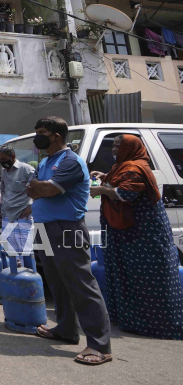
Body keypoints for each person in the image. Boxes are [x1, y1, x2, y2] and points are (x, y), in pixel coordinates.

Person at [26, 116, 112, 366]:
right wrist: (38, 187)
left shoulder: (71, 161)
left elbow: (48, 190)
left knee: (81, 284)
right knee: (57, 282)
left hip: (67, 228)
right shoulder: (45, 161)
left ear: (57, 136)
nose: (37, 136)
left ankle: (99, 345)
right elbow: (31, 189)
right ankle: (66, 329)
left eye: (42, 132)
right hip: (43, 228)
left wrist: (39, 187)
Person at [89, 135, 183, 340]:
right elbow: (120, 182)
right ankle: (131, 320)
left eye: (118, 145)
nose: (114, 149)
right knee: (126, 274)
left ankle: (156, 325)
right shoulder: (124, 166)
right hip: (127, 233)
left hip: (142, 235)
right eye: (113, 145)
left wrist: (101, 189)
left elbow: (126, 193)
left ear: (130, 148)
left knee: (147, 277)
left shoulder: (134, 168)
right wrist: (105, 176)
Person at [0, 144, 36, 255]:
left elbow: (40, 189)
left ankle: (27, 271)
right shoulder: (4, 172)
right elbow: (3, 190)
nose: (2, 162)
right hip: (7, 216)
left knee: (25, 251)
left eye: (4, 159)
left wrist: (32, 206)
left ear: (13, 156)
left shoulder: (26, 169)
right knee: (11, 252)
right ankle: (15, 271)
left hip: (22, 216)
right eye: (0, 160)